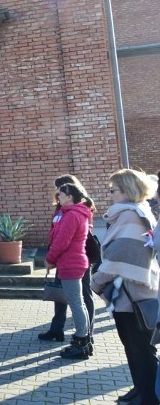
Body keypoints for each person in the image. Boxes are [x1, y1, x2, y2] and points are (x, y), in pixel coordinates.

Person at [90, 169, 159, 405]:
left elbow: (123, 256)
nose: (110, 195)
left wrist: (96, 281)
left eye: (114, 190)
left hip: (133, 297)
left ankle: (148, 395)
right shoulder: (132, 213)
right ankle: (141, 388)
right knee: (134, 347)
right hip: (132, 294)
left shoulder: (130, 216)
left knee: (140, 349)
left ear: (127, 191)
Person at [38, 175, 96, 347]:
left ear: (70, 193)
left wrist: (50, 258)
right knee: (70, 299)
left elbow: (64, 240)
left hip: (73, 260)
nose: (57, 194)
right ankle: (62, 331)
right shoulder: (65, 211)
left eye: (60, 190)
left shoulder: (74, 213)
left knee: (80, 300)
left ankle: (84, 336)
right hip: (67, 260)